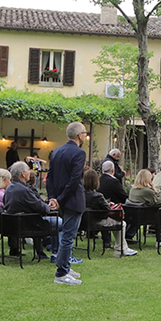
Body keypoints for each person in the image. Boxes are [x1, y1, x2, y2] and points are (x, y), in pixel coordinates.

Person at [46, 122, 87, 286]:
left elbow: (49, 177)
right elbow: (74, 180)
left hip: (62, 199)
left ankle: (66, 267)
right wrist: (60, 198)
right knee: (68, 238)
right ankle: (61, 273)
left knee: (66, 236)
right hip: (72, 200)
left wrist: (53, 197)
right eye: (85, 133)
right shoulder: (78, 153)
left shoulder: (57, 151)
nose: (85, 136)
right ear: (79, 135)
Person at [4, 161, 59, 258]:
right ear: (23, 174)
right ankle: (56, 252)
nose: (30, 172)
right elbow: (42, 208)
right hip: (29, 224)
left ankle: (45, 251)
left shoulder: (9, 189)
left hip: (15, 224)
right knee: (60, 222)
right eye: (28, 170)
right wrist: (49, 207)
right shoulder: (24, 190)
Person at [84, 168, 137, 257]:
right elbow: (108, 209)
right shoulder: (98, 196)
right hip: (96, 222)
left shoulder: (80, 194)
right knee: (122, 224)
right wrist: (109, 204)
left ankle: (123, 248)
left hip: (83, 221)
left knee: (118, 223)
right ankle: (119, 249)